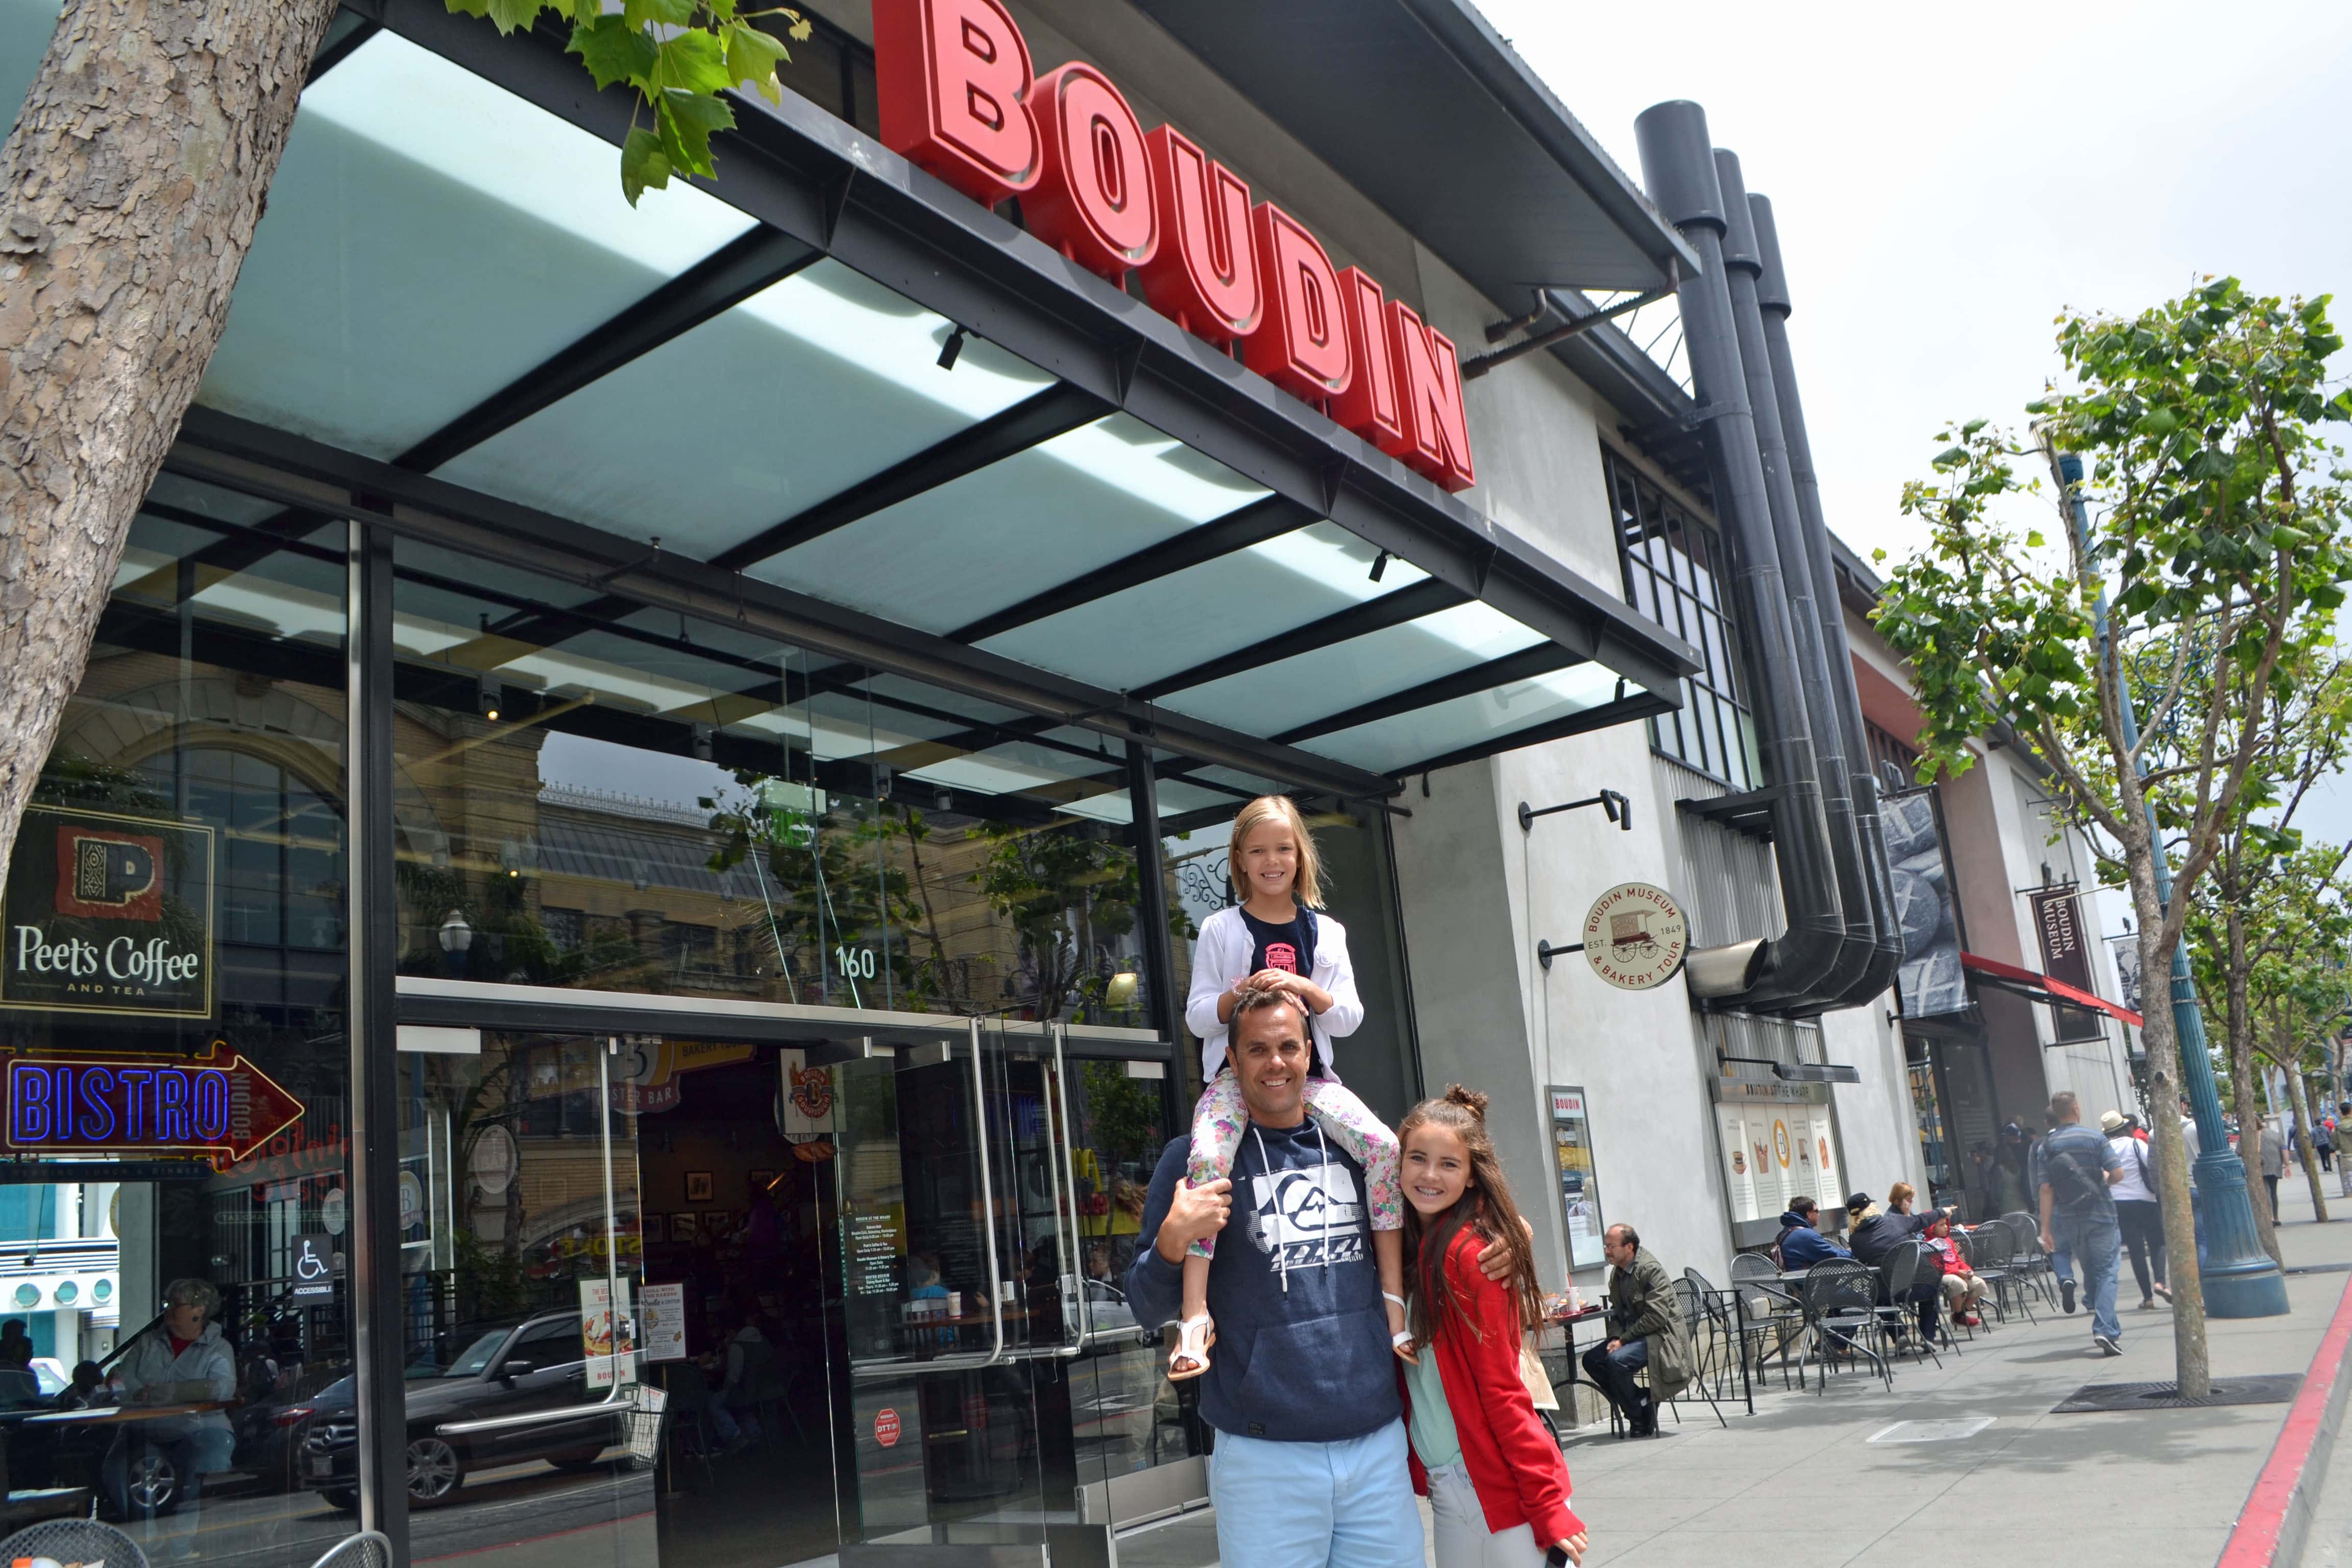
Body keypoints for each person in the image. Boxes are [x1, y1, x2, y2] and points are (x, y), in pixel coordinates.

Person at [1126, 984, 1522, 1568]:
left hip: (1376, 1445)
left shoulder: (1362, 1154)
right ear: (1232, 1061)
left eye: (1289, 1045)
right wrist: (1171, 1241)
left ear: (1310, 1053)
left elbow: (1438, 1233)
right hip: (1264, 1458)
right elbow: (1141, 1303)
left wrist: (1508, 1238)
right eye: (1257, 1049)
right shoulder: (1192, 1159)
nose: (1276, 1062)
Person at [1172, 795, 1405, 1381]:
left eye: (1283, 848)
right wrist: (1241, 993)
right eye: (1258, 851)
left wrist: (1304, 987)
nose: (1272, 861)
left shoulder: (1326, 931)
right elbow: (1198, 1016)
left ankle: (1394, 1300)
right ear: (1240, 860)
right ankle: (1195, 1314)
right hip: (1235, 1080)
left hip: (1313, 1081)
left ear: (1300, 855)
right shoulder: (1220, 928)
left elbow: (1348, 1016)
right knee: (1206, 1160)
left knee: (1384, 1148)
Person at [1396, 1087, 1586, 1565]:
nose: (1429, 1175)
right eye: (1417, 1158)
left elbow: (1502, 1389)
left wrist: (1545, 1503)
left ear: (1473, 1177)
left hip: (1495, 1485)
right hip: (1451, 1486)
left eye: (1449, 1164)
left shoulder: (1472, 1255)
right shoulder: (1408, 1246)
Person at [104, 1278, 237, 1549]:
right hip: (145, 1427)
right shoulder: (147, 1343)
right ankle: (141, 1546)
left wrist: (169, 1393)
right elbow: (121, 1379)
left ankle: (188, 1546)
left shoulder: (219, 1348)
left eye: (175, 1305)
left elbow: (222, 1388)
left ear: (198, 1311)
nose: (168, 1310)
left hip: (200, 1427)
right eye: (168, 1304)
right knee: (116, 1470)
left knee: (206, 1466)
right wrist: (138, 1395)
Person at [2034, 1092, 2125, 1356]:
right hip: (2102, 1214)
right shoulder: (2095, 1138)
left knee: (2091, 1270)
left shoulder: (2046, 1147)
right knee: (2107, 1271)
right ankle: (2106, 1329)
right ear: (2076, 1109)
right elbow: (2118, 1174)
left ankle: (2108, 1325)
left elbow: (2046, 1190)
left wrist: (2046, 1229)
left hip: (2071, 1218)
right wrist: (2102, 1179)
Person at [1581, 1223, 1693, 1438]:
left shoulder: (1650, 1270)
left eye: (1611, 1246)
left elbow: (1656, 1318)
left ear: (1629, 1247)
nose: (1607, 1251)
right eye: (1606, 1246)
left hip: (1659, 1336)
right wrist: (1615, 1337)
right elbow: (1616, 1312)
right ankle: (1641, 1403)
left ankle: (1637, 1414)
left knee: (1616, 1361)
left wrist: (1623, 1340)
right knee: (1591, 1360)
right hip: (1630, 1337)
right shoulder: (1617, 1274)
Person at [1848, 1183, 1952, 1342]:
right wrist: (1941, 1211)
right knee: (1932, 1289)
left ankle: (1899, 1335)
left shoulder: (1855, 1239)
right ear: (1872, 1208)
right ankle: (1928, 1337)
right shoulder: (1894, 1221)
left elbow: (1863, 1261)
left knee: (1876, 1296)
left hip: (1889, 1291)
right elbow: (1921, 1220)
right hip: (1919, 1284)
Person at [2101, 1110, 2169, 1310]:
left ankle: (2147, 1298)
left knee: (2135, 1248)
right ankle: (2160, 1282)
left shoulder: (2104, 1149)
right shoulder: (2135, 1143)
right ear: (2125, 1128)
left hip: (2119, 1203)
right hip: (2145, 1199)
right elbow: (2152, 1164)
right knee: (2158, 1243)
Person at [1921, 1212, 1988, 1327]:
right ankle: (1959, 1315)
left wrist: (1968, 1270)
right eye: (1942, 1225)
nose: (1946, 1227)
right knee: (1957, 1283)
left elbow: (1958, 1260)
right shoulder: (1928, 1245)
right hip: (1942, 1274)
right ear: (1932, 1229)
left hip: (1958, 1272)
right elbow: (1937, 1267)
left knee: (1979, 1284)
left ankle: (1960, 1315)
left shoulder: (1949, 1242)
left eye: (1946, 1224)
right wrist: (1957, 1273)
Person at [1774, 1197, 1851, 1268]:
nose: (1819, 1215)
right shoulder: (1806, 1236)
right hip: (1808, 1281)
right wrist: (1853, 1252)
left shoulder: (1785, 1233)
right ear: (1809, 1214)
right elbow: (1834, 1257)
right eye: (1817, 1211)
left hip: (1792, 1281)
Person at [2260, 1118, 2286, 1221]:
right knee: (2274, 1192)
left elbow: (2239, 1151)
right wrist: (2286, 1164)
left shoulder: (2253, 1136)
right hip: (2276, 1165)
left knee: (2266, 1191)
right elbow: (2284, 1149)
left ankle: (2269, 1217)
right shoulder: (2275, 1135)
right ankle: (2276, 1217)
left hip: (2261, 1166)